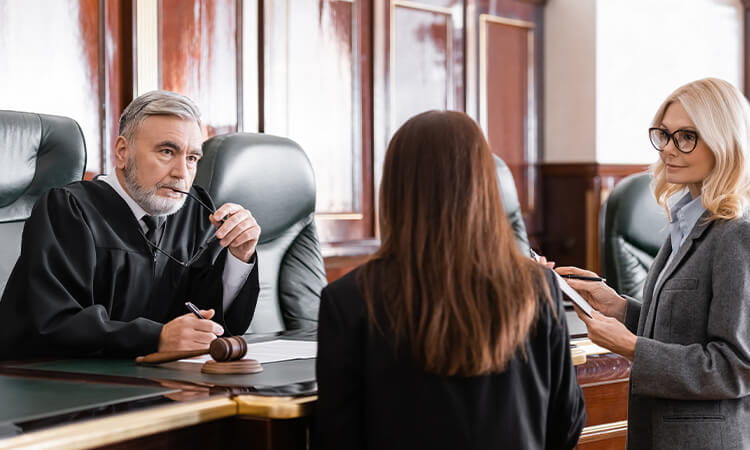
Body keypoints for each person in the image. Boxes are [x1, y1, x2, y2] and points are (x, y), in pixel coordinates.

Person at [316, 111, 586, 449]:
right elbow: (566, 424)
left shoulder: (348, 298)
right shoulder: (538, 286)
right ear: (486, 188)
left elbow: (336, 438)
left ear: (395, 189)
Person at [558, 78, 750, 449]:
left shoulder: (736, 235)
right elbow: (683, 329)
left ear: (724, 143)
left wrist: (632, 347)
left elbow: (734, 369)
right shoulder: (686, 221)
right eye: (664, 134)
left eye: (687, 137)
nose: (669, 149)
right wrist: (619, 308)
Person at [0, 90, 261, 359]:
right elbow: (54, 322)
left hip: (157, 383)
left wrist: (238, 256)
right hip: (55, 383)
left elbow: (210, 317)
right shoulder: (70, 209)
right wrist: (156, 337)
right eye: (167, 151)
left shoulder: (195, 212)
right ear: (123, 152)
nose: (181, 173)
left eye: (192, 158)